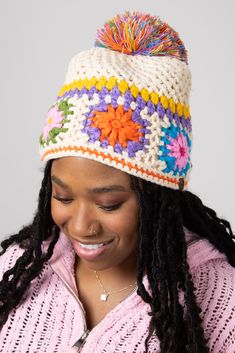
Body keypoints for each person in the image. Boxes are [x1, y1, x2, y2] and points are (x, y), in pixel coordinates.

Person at [0, 11, 234, 353]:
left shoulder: (221, 299)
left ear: (159, 198)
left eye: (108, 204)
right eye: (63, 197)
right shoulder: (16, 272)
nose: (80, 226)